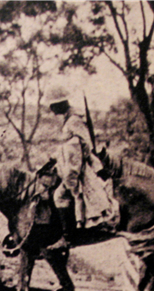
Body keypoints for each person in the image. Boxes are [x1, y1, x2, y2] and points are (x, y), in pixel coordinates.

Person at [46, 88, 116, 248]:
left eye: (53, 106)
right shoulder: (69, 120)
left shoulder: (73, 121)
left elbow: (81, 146)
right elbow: (66, 147)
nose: (51, 110)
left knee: (59, 196)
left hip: (77, 167)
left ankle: (67, 237)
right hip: (70, 163)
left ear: (60, 104)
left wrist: (72, 173)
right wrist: (54, 158)